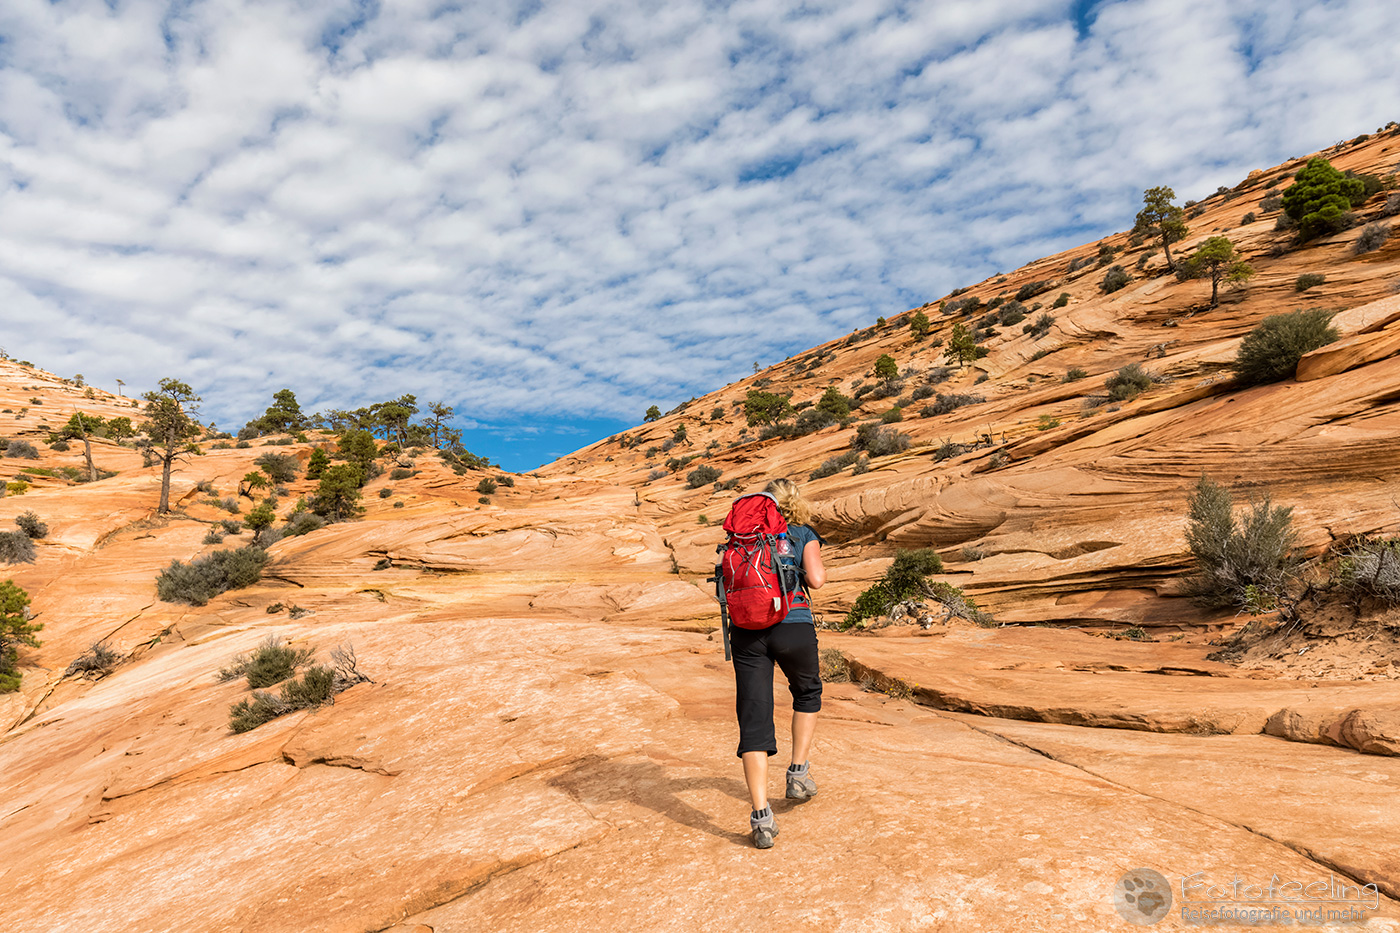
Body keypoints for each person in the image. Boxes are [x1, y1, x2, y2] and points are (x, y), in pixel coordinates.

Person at [730, 477, 827, 849]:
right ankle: (798, 773)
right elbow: (816, 580)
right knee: (807, 692)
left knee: (753, 717)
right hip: (793, 625)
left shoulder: (742, 538)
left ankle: (761, 818)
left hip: (746, 632)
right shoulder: (802, 531)